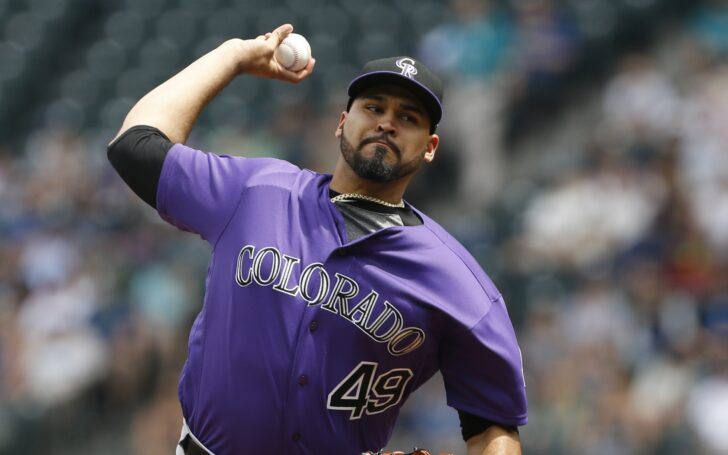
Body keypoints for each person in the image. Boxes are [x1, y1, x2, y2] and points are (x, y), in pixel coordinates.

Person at [107, 24, 527, 455]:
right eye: (373, 107)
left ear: (430, 147)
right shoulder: (256, 191)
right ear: (342, 122)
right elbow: (135, 147)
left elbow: (495, 427)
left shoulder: (457, 281)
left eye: (408, 117)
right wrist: (231, 57)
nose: (386, 123)